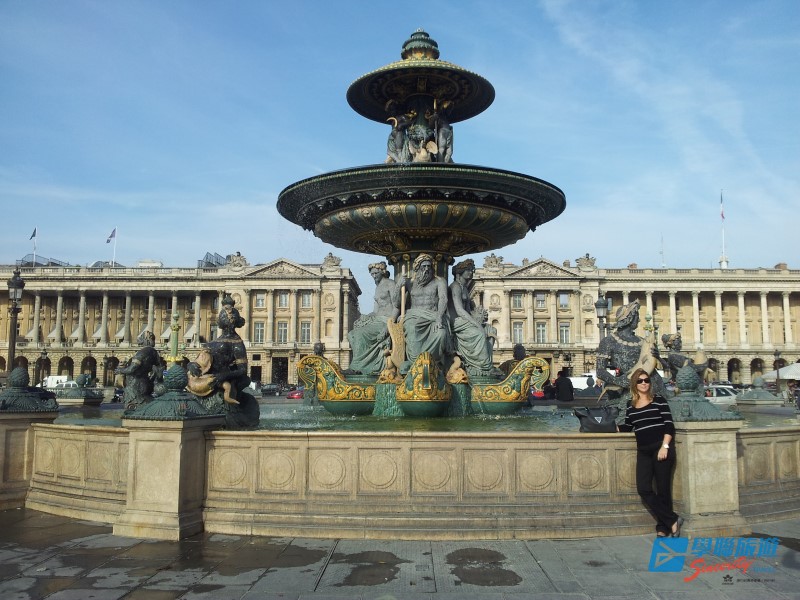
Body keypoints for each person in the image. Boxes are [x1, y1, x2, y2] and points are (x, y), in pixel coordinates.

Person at [618, 368, 683, 538]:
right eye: (640, 381)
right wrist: (603, 425)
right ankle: (673, 519)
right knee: (644, 488)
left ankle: (664, 527)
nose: (644, 383)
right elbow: (627, 427)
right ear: (635, 384)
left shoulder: (658, 400)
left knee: (663, 489)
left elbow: (669, 425)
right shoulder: (631, 406)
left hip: (661, 448)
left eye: (646, 380)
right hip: (644, 451)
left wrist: (665, 446)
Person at [596, 300, 671, 400]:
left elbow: (664, 367)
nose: (639, 320)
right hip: (631, 387)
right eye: (637, 317)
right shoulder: (609, 341)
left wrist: (658, 357)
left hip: (655, 384)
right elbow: (600, 371)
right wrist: (618, 381)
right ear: (629, 318)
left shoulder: (643, 341)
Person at [347, 262, 401, 375]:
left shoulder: (390, 284)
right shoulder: (378, 287)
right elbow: (375, 311)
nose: (374, 276)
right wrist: (366, 316)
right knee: (352, 334)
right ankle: (360, 365)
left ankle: (357, 367)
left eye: (376, 273)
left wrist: (389, 325)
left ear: (382, 272)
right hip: (377, 319)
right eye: (372, 274)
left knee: (360, 334)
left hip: (386, 320)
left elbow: (397, 306)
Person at [398, 253, 451, 368]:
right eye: (423, 266)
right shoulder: (409, 282)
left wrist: (439, 318)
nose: (426, 269)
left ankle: (433, 362)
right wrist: (398, 286)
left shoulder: (440, 281)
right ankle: (415, 363)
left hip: (433, 315)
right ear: (417, 268)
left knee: (441, 333)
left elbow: (443, 299)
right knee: (412, 328)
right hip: (414, 316)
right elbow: (397, 304)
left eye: (429, 266)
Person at [448, 259, 493, 373]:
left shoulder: (464, 289)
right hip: (455, 321)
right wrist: (476, 324)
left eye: (471, 270)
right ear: (459, 273)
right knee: (479, 333)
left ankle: (488, 363)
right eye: (467, 270)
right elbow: (459, 310)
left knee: (490, 330)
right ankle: (482, 367)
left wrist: (479, 319)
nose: (470, 272)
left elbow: (468, 311)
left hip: (463, 320)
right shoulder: (455, 287)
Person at [116, 330, 162, 410]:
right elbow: (159, 369)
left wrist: (120, 370)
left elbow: (132, 369)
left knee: (133, 407)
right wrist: (154, 380)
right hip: (146, 383)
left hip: (135, 385)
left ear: (145, 340)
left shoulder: (142, 353)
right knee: (147, 404)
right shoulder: (154, 353)